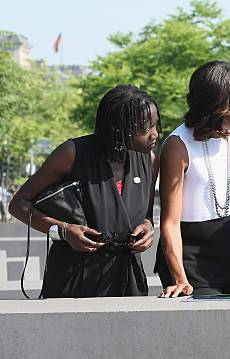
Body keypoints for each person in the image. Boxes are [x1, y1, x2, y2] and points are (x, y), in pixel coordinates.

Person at [9, 85, 159, 297]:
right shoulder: (72, 153)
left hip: (128, 280)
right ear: (118, 127)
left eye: (155, 125)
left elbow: (146, 216)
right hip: (74, 279)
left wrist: (148, 228)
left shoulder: (150, 160)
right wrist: (62, 230)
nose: (155, 134)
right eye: (145, 129)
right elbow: (18, 205)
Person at [155, 61, 230, 298]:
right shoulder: (177, 145)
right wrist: (179, 278)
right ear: (214, 107)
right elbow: (169, 222)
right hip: (189, 256)